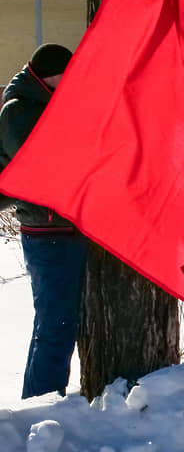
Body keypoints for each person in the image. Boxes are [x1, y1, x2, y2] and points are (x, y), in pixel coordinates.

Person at [0, 44, 89, 399]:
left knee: (58, 322)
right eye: (67, 75)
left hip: (65, 226)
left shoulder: (46, 102)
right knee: (56, 324)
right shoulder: (18, 111)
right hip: (46, 230)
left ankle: (42, 402)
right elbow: (39, 170)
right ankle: (42, 404)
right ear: (50, 74)